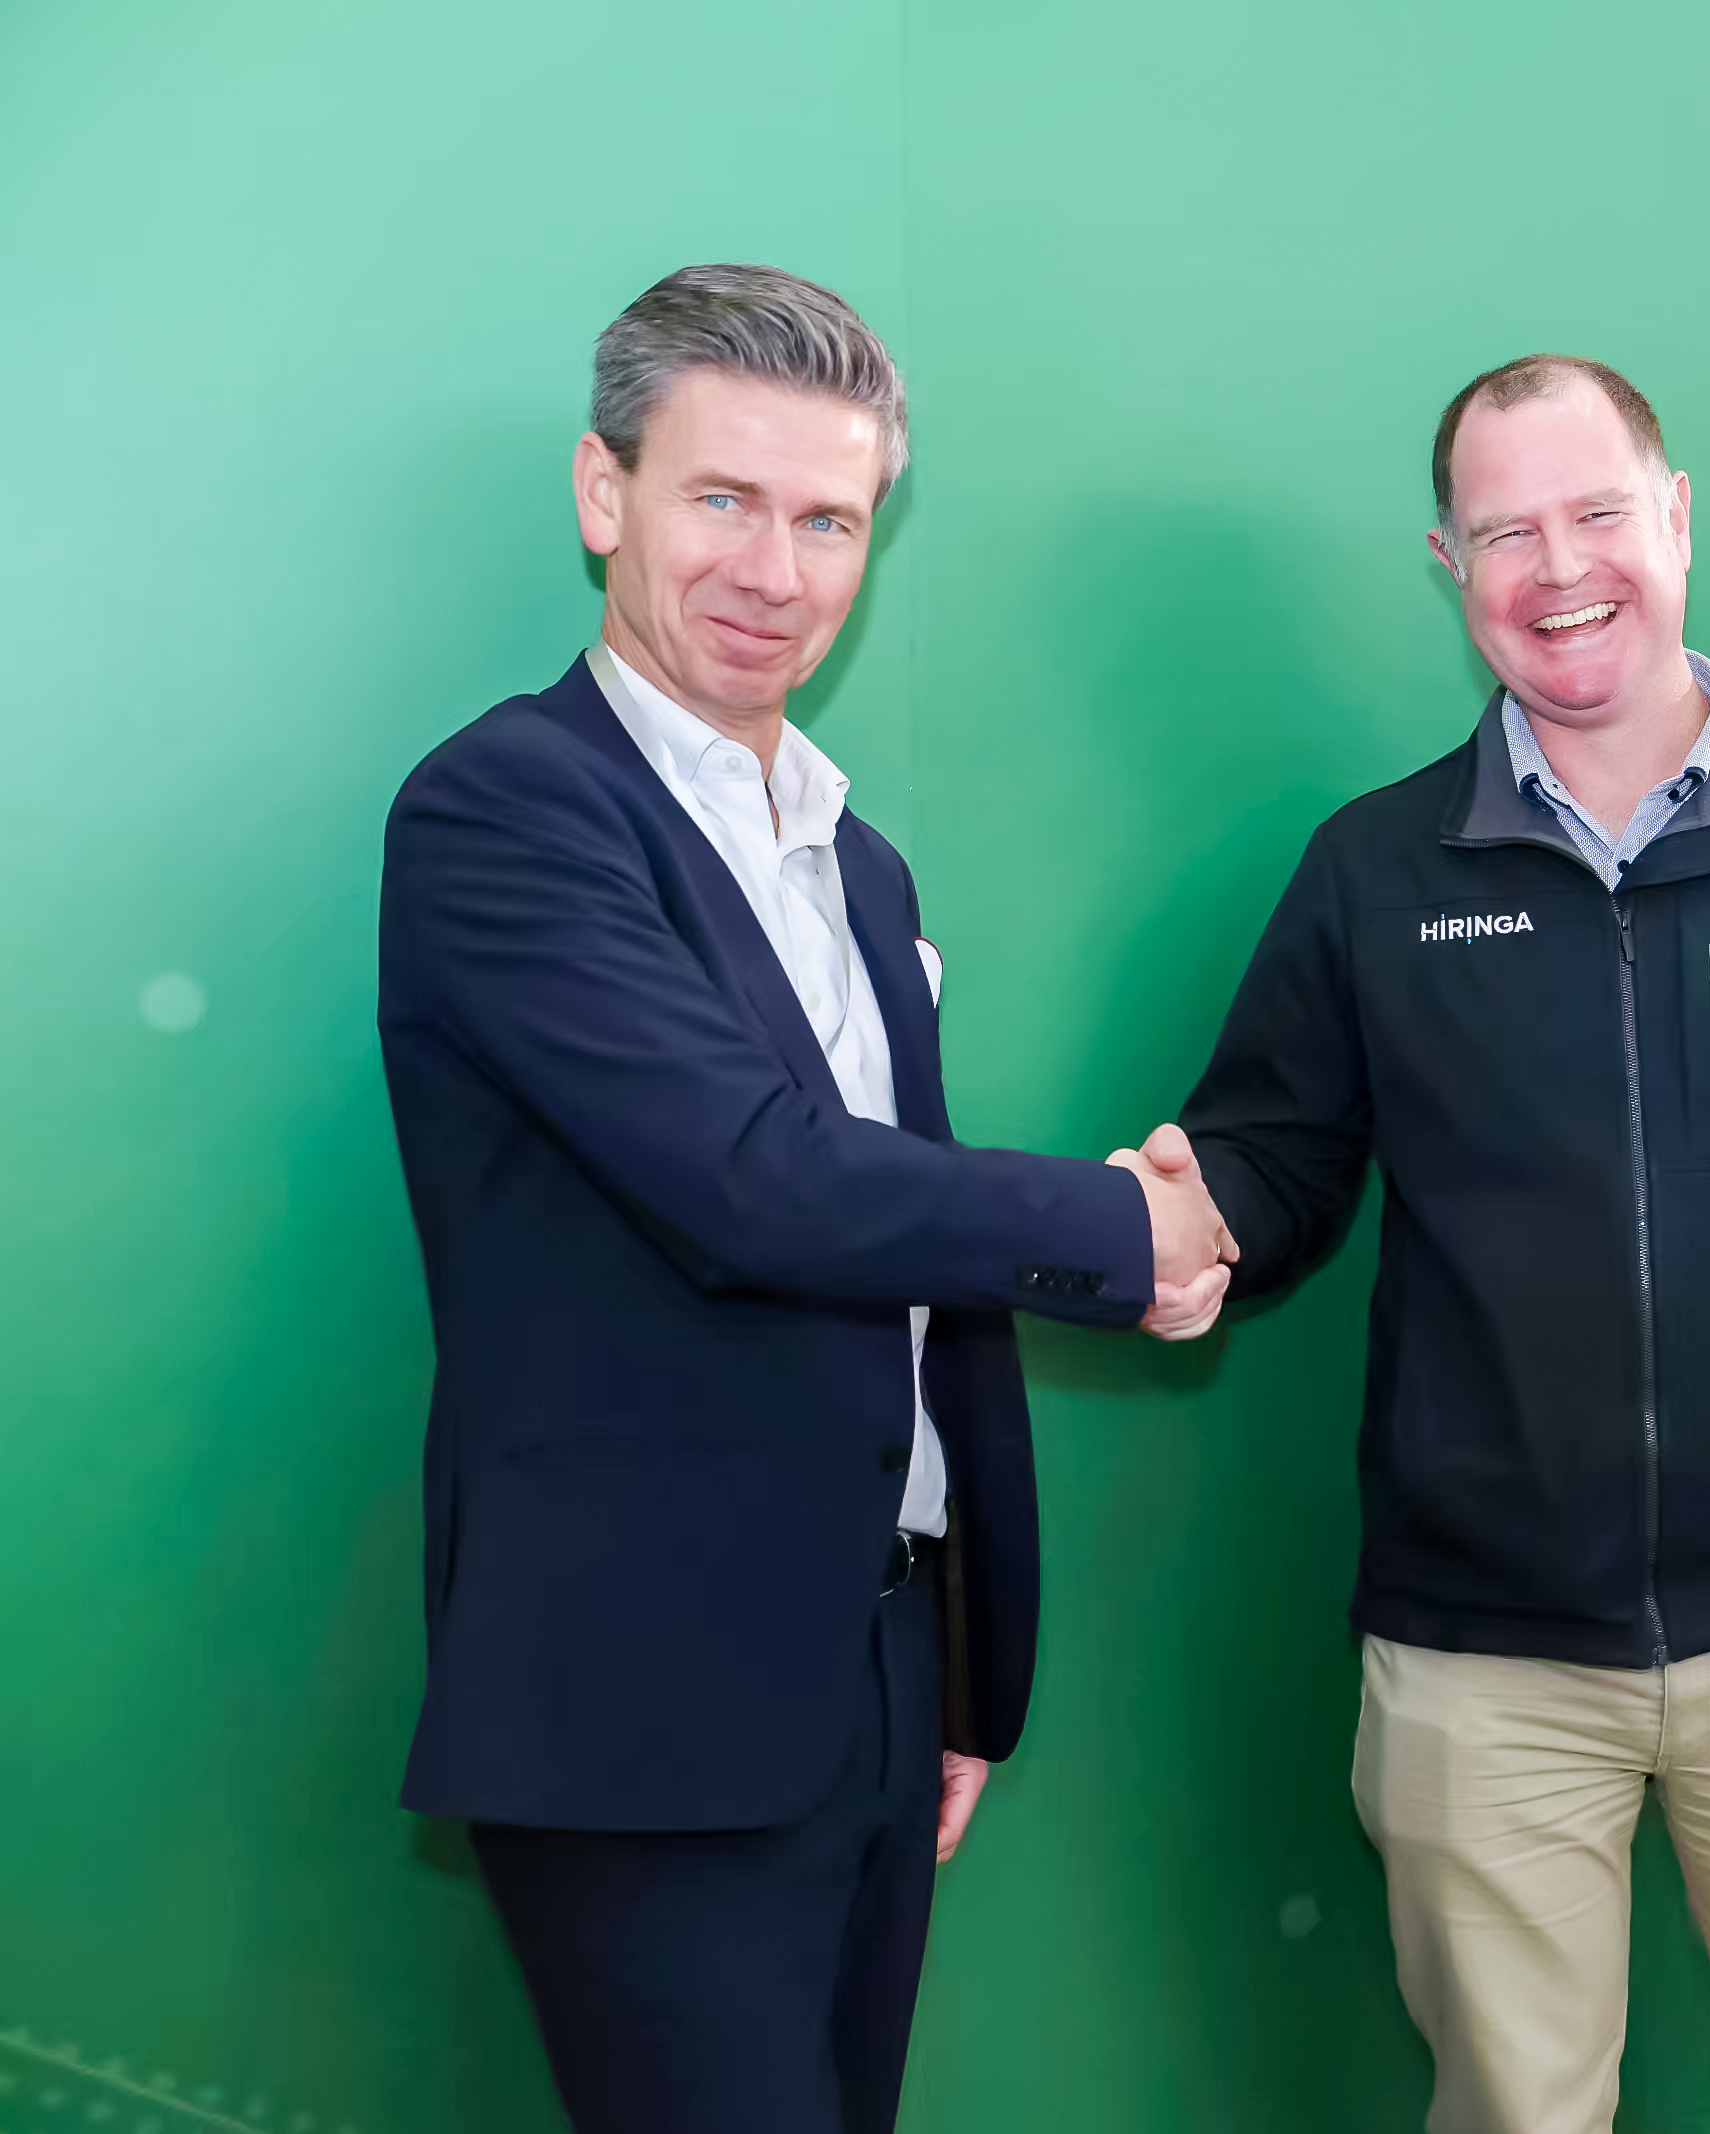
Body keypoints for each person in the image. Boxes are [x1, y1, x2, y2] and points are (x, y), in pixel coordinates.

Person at [376, 262, 1234, 2134]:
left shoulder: (860, 861)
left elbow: (908, 1252)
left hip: (877, 1665)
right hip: (643, 1693)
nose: (777, 568)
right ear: (603, 493)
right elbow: (754, 1183)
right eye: (723, 498)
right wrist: (1125, 1230)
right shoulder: (507, 810)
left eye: (830, 519)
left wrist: (956, 1669)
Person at [1172, 354, 1710, 2134]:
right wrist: (1178, 1223)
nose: (1560, 568)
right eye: (1507, 532)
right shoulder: (1377, 871)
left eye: (1597, 513)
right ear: (1449, 564)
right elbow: (1272, 1164)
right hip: (1481, 1660)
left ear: (1678, 517)